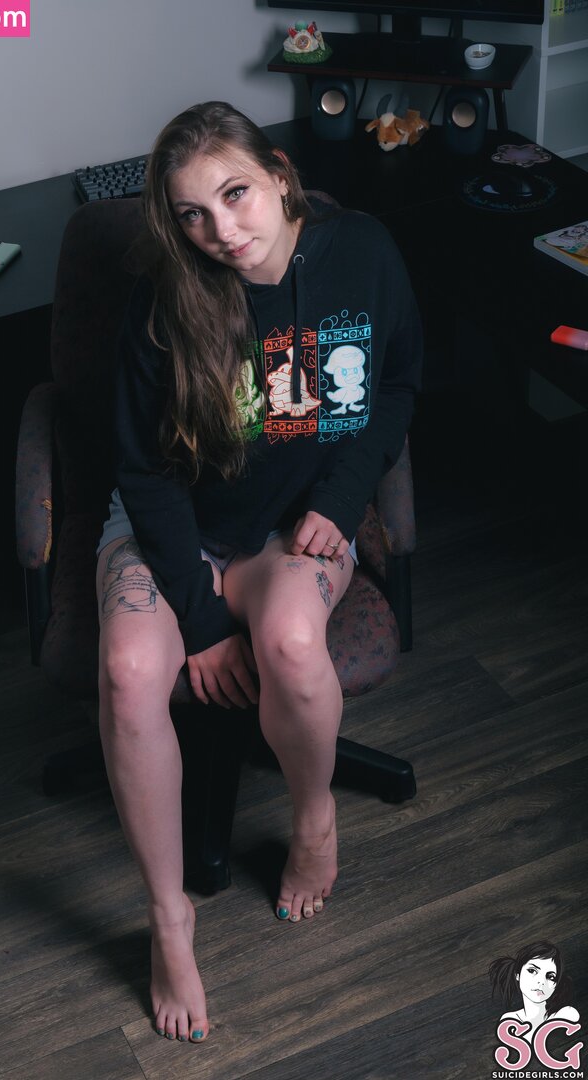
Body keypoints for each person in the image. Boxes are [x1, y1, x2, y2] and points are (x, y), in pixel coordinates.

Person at [95, 101, 422, 1044]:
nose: (221, 230)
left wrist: (343, 497)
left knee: (289, 641)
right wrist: (198, 621)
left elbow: (395, 383)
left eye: (235, 194)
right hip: (176, 527)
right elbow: (142, 472)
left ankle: (314, 821)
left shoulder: (363, 253)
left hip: (292, 521)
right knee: (128, 671)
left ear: (279, 175)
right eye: (192, 215)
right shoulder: (164, 300)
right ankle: (169, 920)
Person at [489, 941, 580, 1041]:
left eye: (550, 977)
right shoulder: (510, 1020)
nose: (541, 982)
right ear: (517, 974)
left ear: (556, 984)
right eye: (532, 971)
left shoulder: (567, 1014)